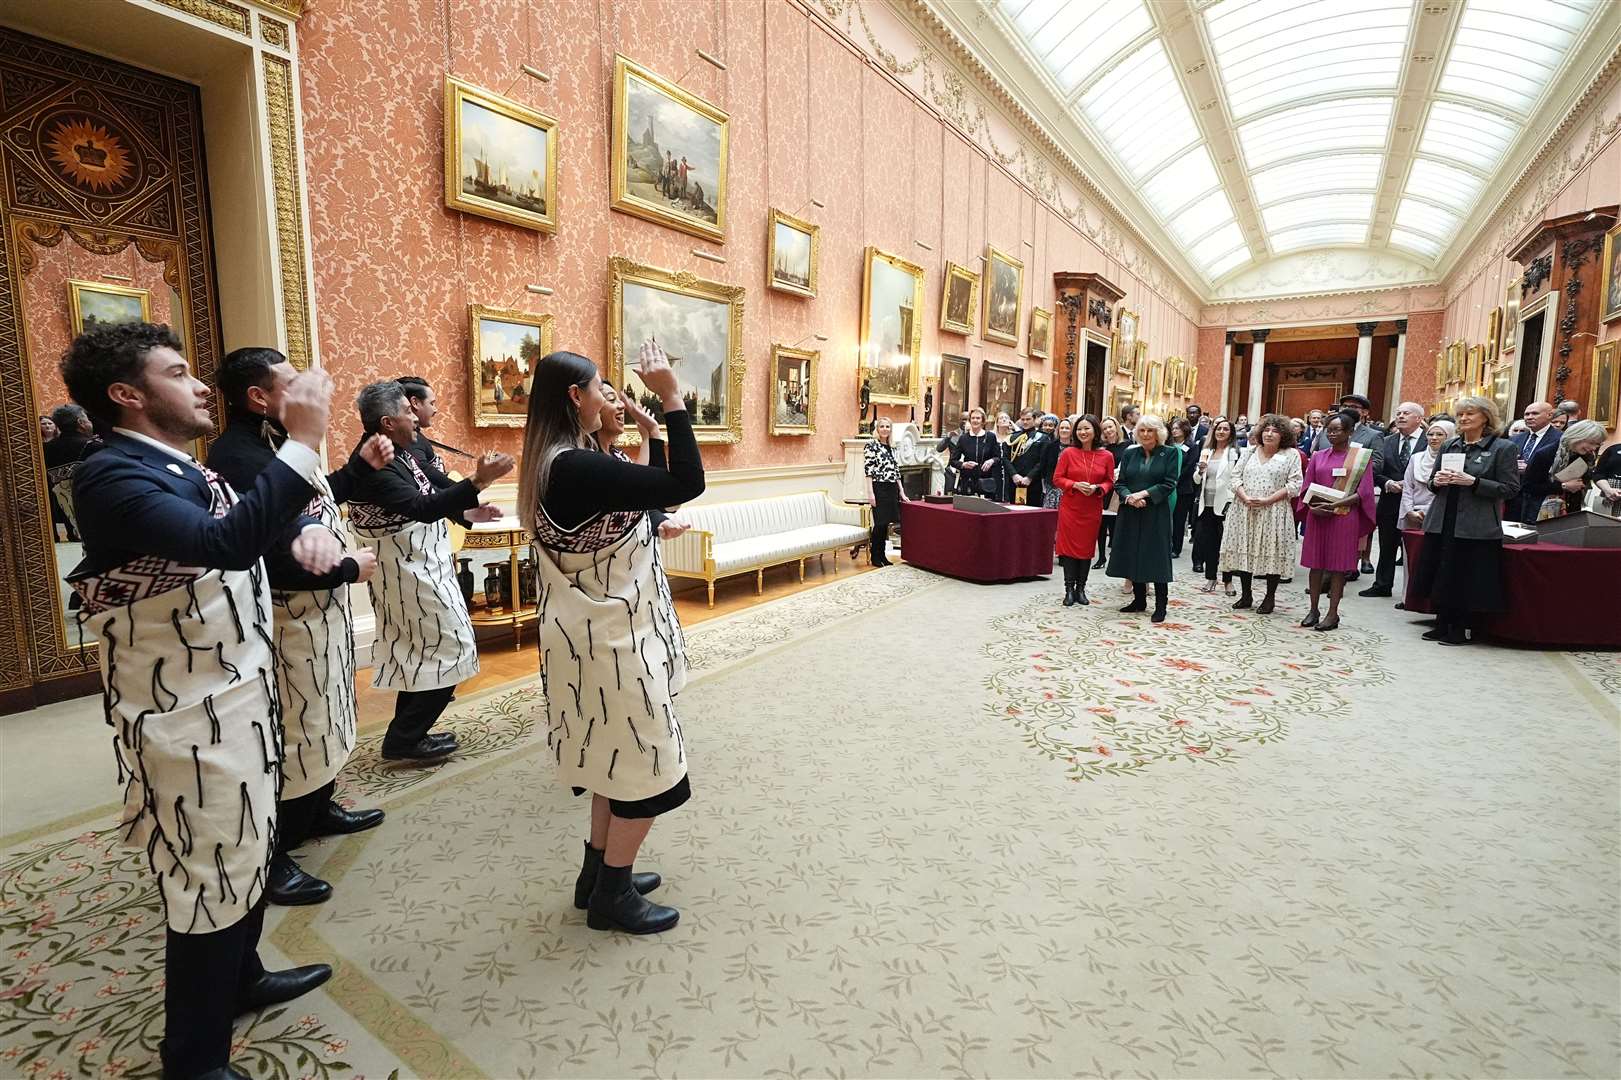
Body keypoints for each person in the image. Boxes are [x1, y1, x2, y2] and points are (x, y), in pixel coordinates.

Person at [61, 322, 337, 1080]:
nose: (197, 385)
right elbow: (219, 545)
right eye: (178, 373)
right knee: (207, 875)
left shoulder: (182, 466)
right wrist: (304, 441)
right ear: (128, 395)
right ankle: (192, 1060)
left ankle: (241, 980)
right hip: (183, 719)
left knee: (245, 849)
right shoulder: (111, 476)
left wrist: (309, 526)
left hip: (234, 700)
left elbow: (255, 518)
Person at [517, 342, 705, 935]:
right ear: (576, 398)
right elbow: (686, 483)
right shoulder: (574, 466)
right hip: (611, 647)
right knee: (651, 768)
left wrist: (648, 430)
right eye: (601, 388)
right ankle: (613, 896)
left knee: (610, 761)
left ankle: (597, 876)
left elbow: (649, 494)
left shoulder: (559, 462)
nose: (608, 397)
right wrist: (672, 396)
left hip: (587, 640)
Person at [205, 347, 392, 907]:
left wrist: (360, 470)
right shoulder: (235, 454)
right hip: (289, 612)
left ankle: (315, 808)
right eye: (292, 383)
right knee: (294, 729)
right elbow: (269, 542)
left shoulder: (273, 440)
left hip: (320, 612)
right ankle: (277, 850)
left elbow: (312, 498)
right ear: (258, 398)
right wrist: (345, 567)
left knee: (328, 713)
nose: (308, 390)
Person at [347, 381, 513, 762]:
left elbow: (431, 495)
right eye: (409, 411)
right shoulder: (376, 461)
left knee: (423, 653)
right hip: (407, 571)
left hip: (421, 565)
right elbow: (419, 508)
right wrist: (479, 480)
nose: (417, 417)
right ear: (388, 422)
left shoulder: (400, 449)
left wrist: (468, 511)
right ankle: (406, 736)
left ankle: (406, 736)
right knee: (451, 645)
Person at [1412, 396, 1520, 646]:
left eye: (1469, 414)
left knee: (1464, 576)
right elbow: (1431, 481)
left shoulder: (1502, 448)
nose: (1463, 419)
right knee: (1440, 571)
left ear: (1486, 417)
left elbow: (1511, 488)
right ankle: (1442, 623)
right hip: (1442, 518)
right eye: (1460, 415)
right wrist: (1435, 482)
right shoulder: (1450, 445)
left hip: (1475, 524)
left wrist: (1474, 482)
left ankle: (1460, 627)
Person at [1297, 411, 1377, 631]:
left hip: (1343, 517)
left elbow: (1364, 493)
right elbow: (1307, 486)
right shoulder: (1319, 456)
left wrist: (1334, 505)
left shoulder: (1360, 457)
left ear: (1350, 432)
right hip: (1318, 516)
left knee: (1338, 567)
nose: (1331, 434)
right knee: (1316, 565)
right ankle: (1313, 609)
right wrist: (1313, 506)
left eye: (1336, 430)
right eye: (1328, 430)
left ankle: (1333, 614)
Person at [1218, 414, 1302, 614]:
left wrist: (1268, 500)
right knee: (1244, 549)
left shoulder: (1291, 455)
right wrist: (1245, 496)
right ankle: (1246, 595)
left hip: (1274, 511)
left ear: (1284, 435)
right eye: (1266, 430)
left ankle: (1269, 597)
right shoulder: (1249, 452)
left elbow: (1295, 484)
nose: (1269, 434)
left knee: (1272, 552)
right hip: (1244, 508)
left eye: (1275, 431)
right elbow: (1235, 477)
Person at [1107, 414, 1177, 622]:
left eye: (1150, 430)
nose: (1146, 434)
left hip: (1156, 512)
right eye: (1142, 430)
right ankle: (1139, 601)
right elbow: (1120, 482)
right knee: (1133, 553)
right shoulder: (1130, 454)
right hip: (1131, 510)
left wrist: (1143, 495)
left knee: (1156, 556)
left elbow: (1169, 482)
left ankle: (1161, 606)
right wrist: (1130, 498)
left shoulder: (1170, 453)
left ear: (1159, 433)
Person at [1361, 401, 1427, 598]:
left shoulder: (1430, 440)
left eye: (1406, 413)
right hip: (1390, 500)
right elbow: (1376, 469)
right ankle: (1382, 584)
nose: (1400, 416)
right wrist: (1388, 483)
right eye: (1398, 413)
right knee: (1387, 545)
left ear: (1419, 418)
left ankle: (1414, 593)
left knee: (1416, 549)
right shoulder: (1387, 440)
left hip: (1419, 502)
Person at [1051, 414, 1112, 606]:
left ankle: (1081, 589)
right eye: (1079, 429)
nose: (1082, 432)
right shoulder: (1069, 453)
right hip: (1071, 507)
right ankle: (1069, 589)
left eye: (1086, 428)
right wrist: (1075, 485)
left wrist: (1097, 488)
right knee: (1068, 550)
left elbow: (1109, 481)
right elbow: (1057, 479)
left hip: (1092, 507)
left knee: (1086, 549)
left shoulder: (1107, 455)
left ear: (1095, 431)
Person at [1191, 417, 1240, 595]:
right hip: (1207, 504)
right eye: (1219, 429)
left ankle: (1228, 581)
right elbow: (1196, 479)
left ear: (1231, 433)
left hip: (1225, 505)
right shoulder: (1207, 451)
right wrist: (1201, 470)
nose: (1221, 432)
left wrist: (1232, 500)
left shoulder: (1234, 453)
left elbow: (1236, 479)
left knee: (1225, 545)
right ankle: (1211, 578)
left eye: (1225, 429)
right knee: (1209, 544)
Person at [44, 403, 98, 541]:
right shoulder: (94, 446)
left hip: (67, 510)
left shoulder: (45, 450)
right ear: (81, 423)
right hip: (97, 508)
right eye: (87, 419)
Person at [864, 416, 910, 566]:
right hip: (878, 487)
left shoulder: (892, 447)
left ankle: (882, 555)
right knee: (879, 523)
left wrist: (902, 492)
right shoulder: (871, 446)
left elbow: (896, 472)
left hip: (891, 488)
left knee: (886, 524)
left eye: (887, 427)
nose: (885, 429)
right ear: (877, 429)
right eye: (882, 426)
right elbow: (869, 471)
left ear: (891, 430)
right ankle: (875, 556)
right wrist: (870, 493)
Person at [1540, 419, 1607, 518]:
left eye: (1597, 445)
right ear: (1578, 436)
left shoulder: (1588, 457)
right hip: (1544, 511)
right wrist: (1563, 486)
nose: (1594, 448)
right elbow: (1530, 486)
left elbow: (1585, 481)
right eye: (1592, 443)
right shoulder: (1547, 453)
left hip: (1572, 510)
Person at [1398, 419, 1456, 529]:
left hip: (1441, 514)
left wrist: (1429, 511)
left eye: (1439, 434)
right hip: (1414, 514)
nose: (1434, 438)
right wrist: (1409, 511)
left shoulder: (1453, 460)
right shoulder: (1416, 458)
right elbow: (1407, 487)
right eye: (1430, 434)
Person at [1509, 401, 1559, 523]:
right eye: (1527, 414)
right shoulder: (1515, 439)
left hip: (1542, 499)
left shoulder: (1560, 439)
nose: (1529, 417)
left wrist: (1531, 469)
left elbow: (1559, 469)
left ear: (1549, 415)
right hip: (1514, 499)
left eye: (1535, 413)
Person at [1094, 415, 1127, 569]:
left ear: (1116, 428)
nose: (1108, 430)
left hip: (1119, 489)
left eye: (1110, 427)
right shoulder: (1102, 447)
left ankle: (1116, 557)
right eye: (1105, 428)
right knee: (1101, 525)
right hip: (1104, 488)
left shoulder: (1127, 446)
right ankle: (1101, 557)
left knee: (1116, 525)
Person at [1168, 417, 1198, 562]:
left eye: (1177, 428)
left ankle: (1176, 547)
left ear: (1184, 430)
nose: (1174, 431)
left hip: (1183, 488)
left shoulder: (1191, 446)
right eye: (1173, 428)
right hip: (1167, 487)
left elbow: (1189, 467)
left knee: (1179, 519)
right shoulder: (1169, 445)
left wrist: (1175, 479)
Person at [1010, 412, 1056, 506]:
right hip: (1015, 481)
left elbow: (1042, 461)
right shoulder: (1013, 437)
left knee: (1032, 514)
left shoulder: (1043, 437)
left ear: (1034, 419)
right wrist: (1014, 474)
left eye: (1028, 419)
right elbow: (1006, 458)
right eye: (1023, 419)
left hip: (1033, 482)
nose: (1025, 422)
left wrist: (1029, 477)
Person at [954, 407, 1000, 496]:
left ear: (983, 421)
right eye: (973, 418)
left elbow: (998, 457)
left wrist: (991, 461)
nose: (975, 420)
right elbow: (953, 460)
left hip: (986, 480)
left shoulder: (991, 437)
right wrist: (963, 464)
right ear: (970, 420)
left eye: (978, 418)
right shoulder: (963, 438)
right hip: (968, 481)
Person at [1039, 416, 1071, 509]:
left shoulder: (1076, 447)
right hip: (1052, 488)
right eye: (1062, 428)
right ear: (1058, 430)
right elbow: (1043, 467)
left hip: (1069, 489)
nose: (1064, 430)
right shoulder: (1050, 446)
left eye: (1067, 428)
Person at [1590, 439, 1621, 518]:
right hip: (1609, 498)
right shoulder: (1612, 450)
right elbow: (1598, 474)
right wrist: (1607, 489)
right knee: (1604, 527)